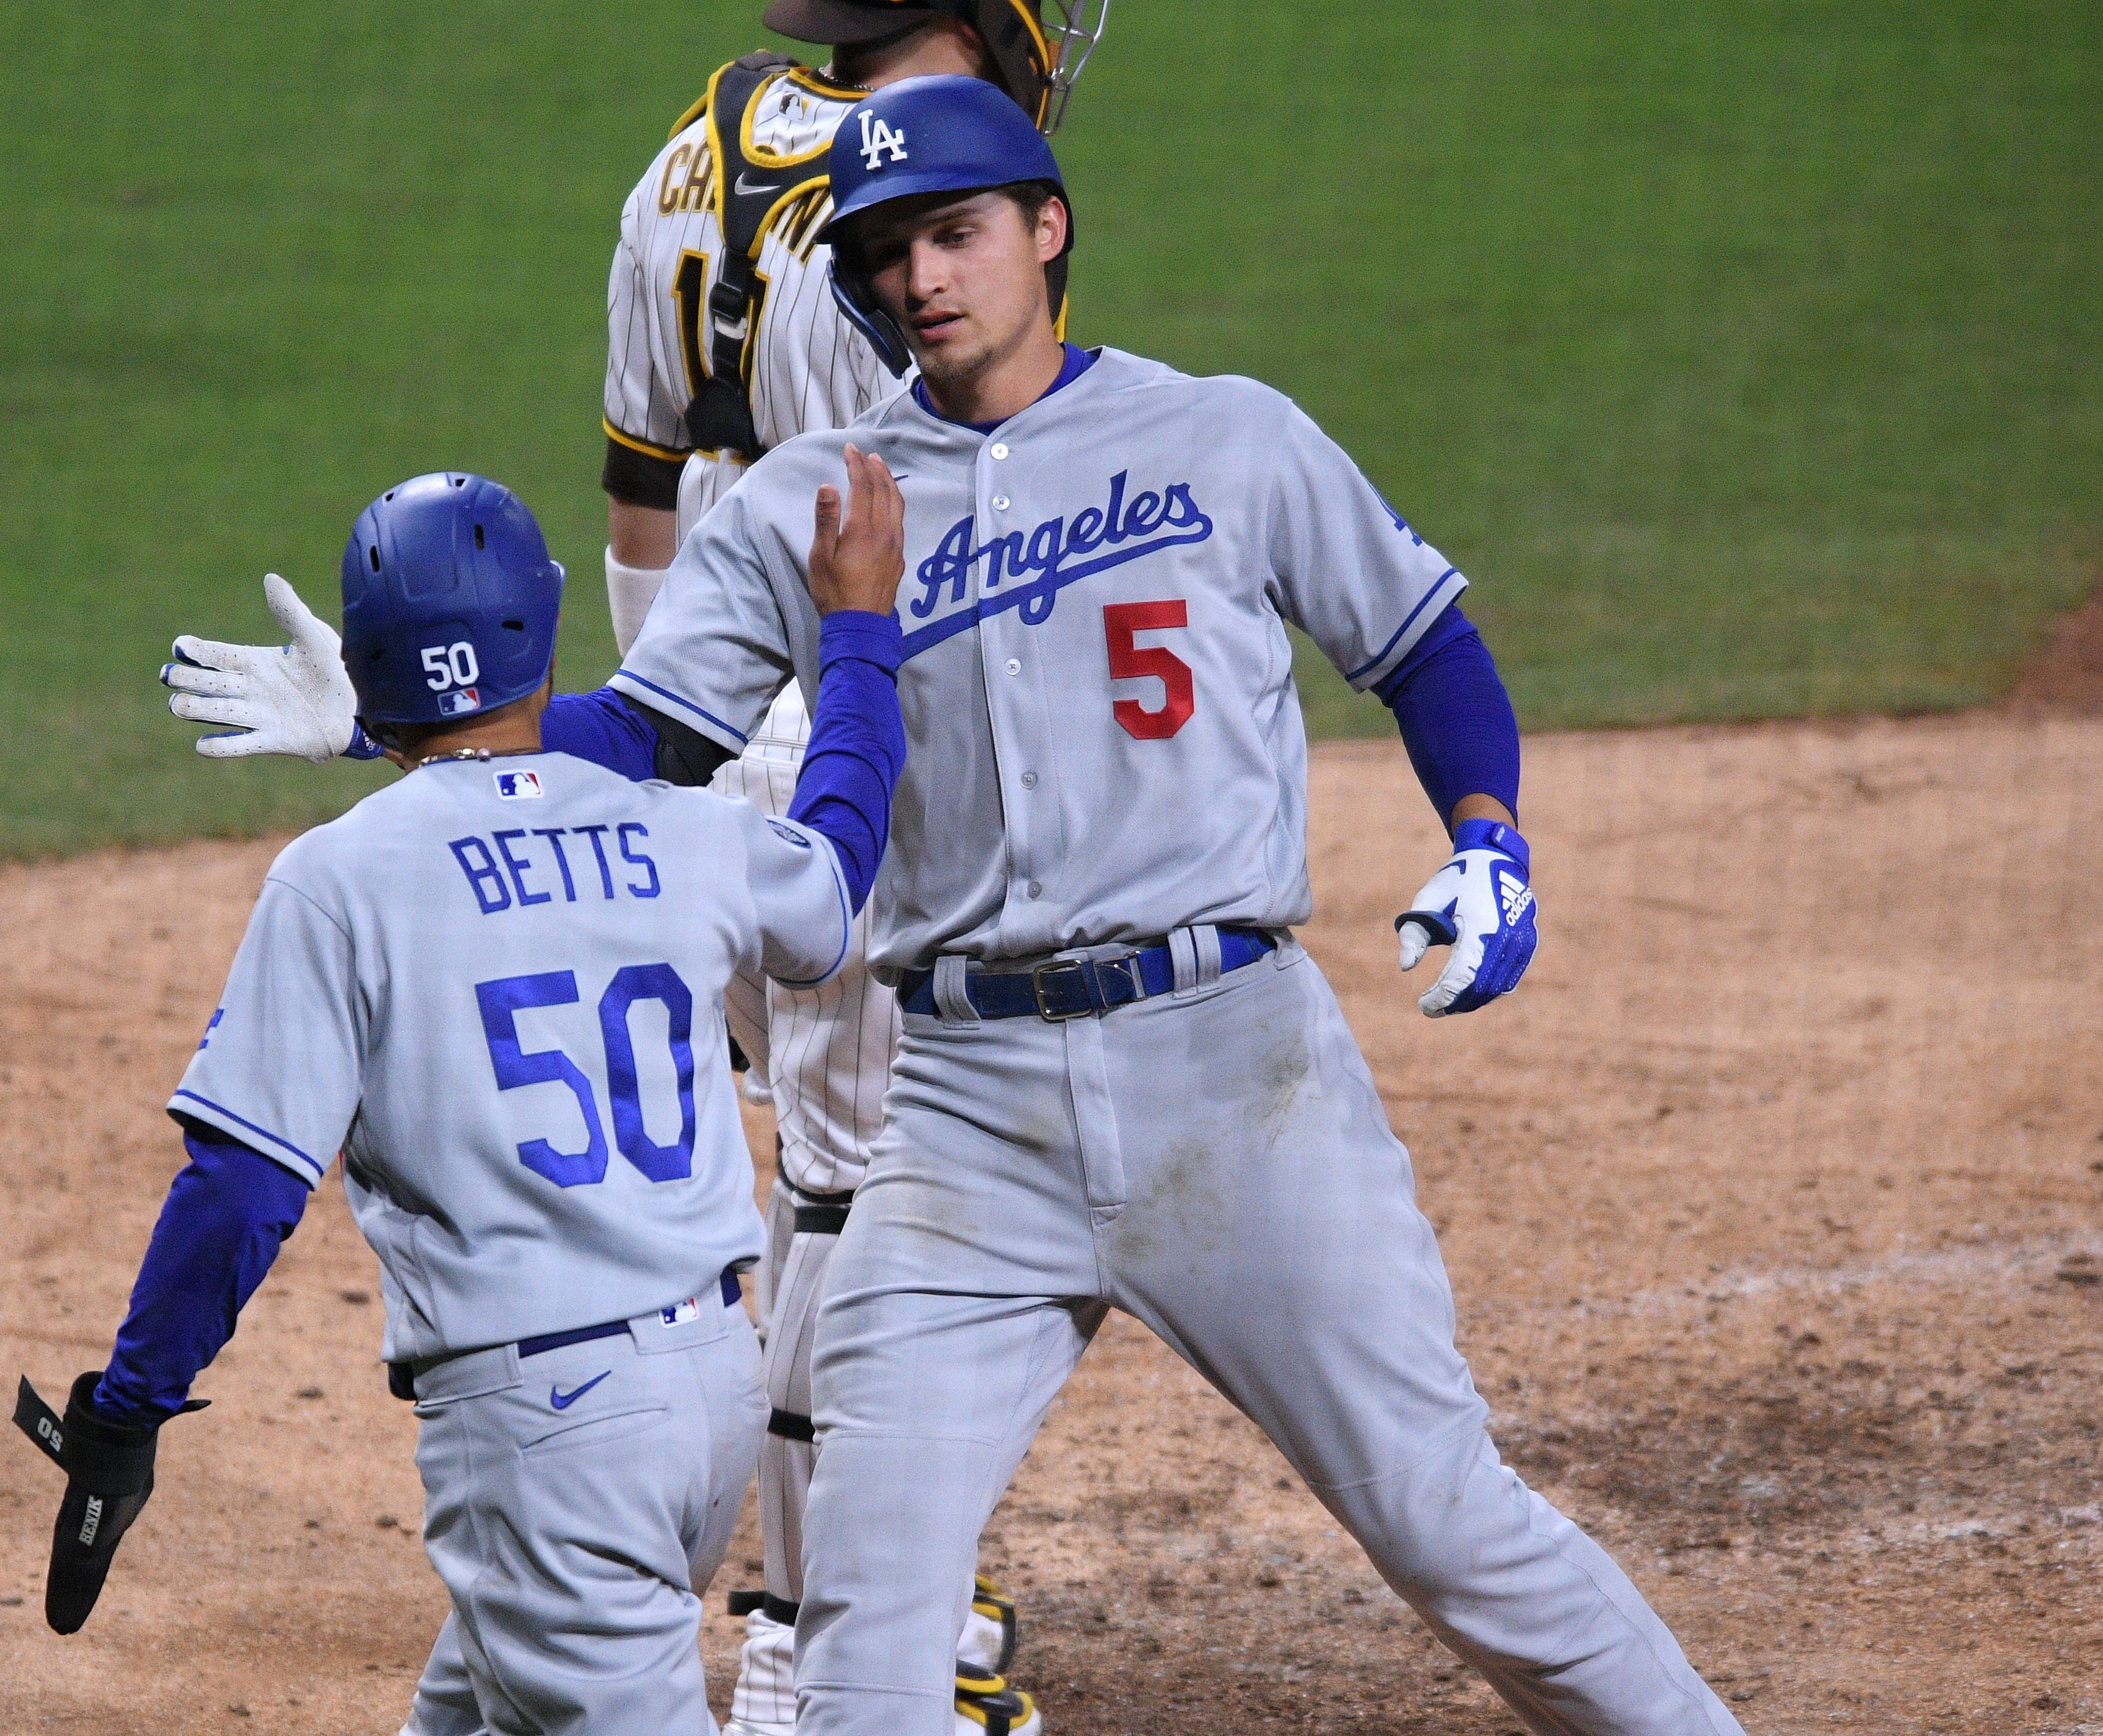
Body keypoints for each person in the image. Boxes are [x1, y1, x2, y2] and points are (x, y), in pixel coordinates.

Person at [597, 75, 1745, 1736]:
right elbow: (648, 733)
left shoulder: (1225, 434)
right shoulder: (817, 508)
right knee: (861, 1627)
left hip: (1233, 1076)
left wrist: (1487, 836)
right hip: (965, 1120)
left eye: (957, 232)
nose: (925, 276)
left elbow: (1421, 645)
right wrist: (409, 712)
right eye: (891, 252)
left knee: (1446, 1524)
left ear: (1044, 230)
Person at [161, 8, 1105, 1732]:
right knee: (866, 1188)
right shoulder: (930, 199)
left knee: (827, 1170)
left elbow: (637, 497)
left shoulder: (688, 150)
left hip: (676, 715)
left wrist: (593, 744)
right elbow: (962, 514)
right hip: (856, 715)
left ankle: (857, 1599)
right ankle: (824, 1641)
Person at [13, 462, 912, 1736]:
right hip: (717, 1395)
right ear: (544, 630)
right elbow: (832, 877)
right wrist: (861, 632)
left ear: (367, 668)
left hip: (546, 1438)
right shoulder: (679, 825)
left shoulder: (339, 882)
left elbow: (241, 1190)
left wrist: (130, 1403)